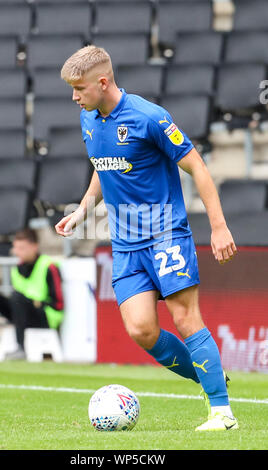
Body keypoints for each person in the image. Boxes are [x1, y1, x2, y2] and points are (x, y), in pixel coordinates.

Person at [55, 45, 239, 431]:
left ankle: (222, 413)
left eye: (79, 88)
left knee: (186, 318)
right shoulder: (90, 119)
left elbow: (198, 168)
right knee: (141, 329)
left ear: (102, 82)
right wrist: (82, 210)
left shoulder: (149, 117)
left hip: (165, 234)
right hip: (125, 243)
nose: (74, 97)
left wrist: (218, 226)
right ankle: (211, 379)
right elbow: (102, 168)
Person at [0, 228, 64, 360]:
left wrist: (37, 303)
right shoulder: (17, 268)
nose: (17, 252)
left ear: (34, 247)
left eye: (22, 248)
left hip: (45, 316)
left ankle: (21, 348)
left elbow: (59, 303)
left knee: (17, 297)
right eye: (16, 248)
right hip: (21, 313)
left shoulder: (48, 266)